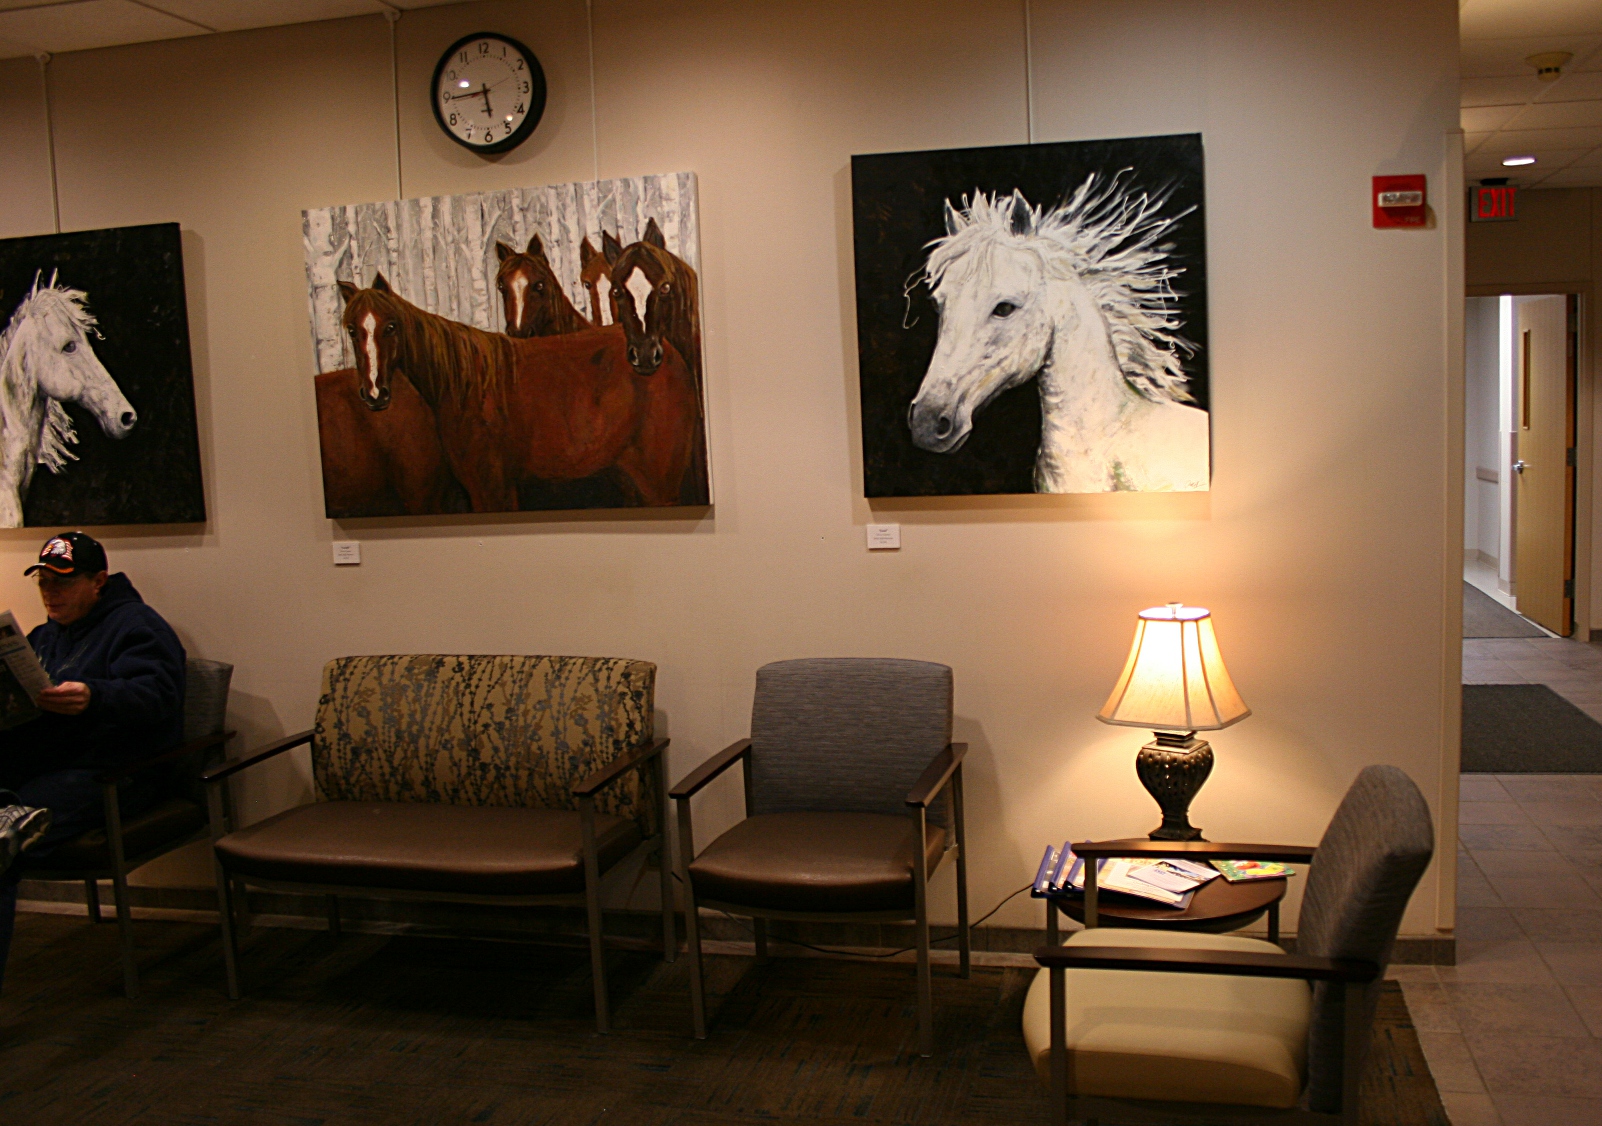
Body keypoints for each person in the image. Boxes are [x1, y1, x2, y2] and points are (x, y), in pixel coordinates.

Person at [0, 532, 186, 994]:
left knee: (0, 854)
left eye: (61, 583)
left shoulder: (137, 626)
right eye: (43, 582)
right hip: (47, 764)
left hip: (112, 773)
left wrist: (95, 696)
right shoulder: (44, 636)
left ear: (98, 581)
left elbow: (159, 696)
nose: (49, 594)